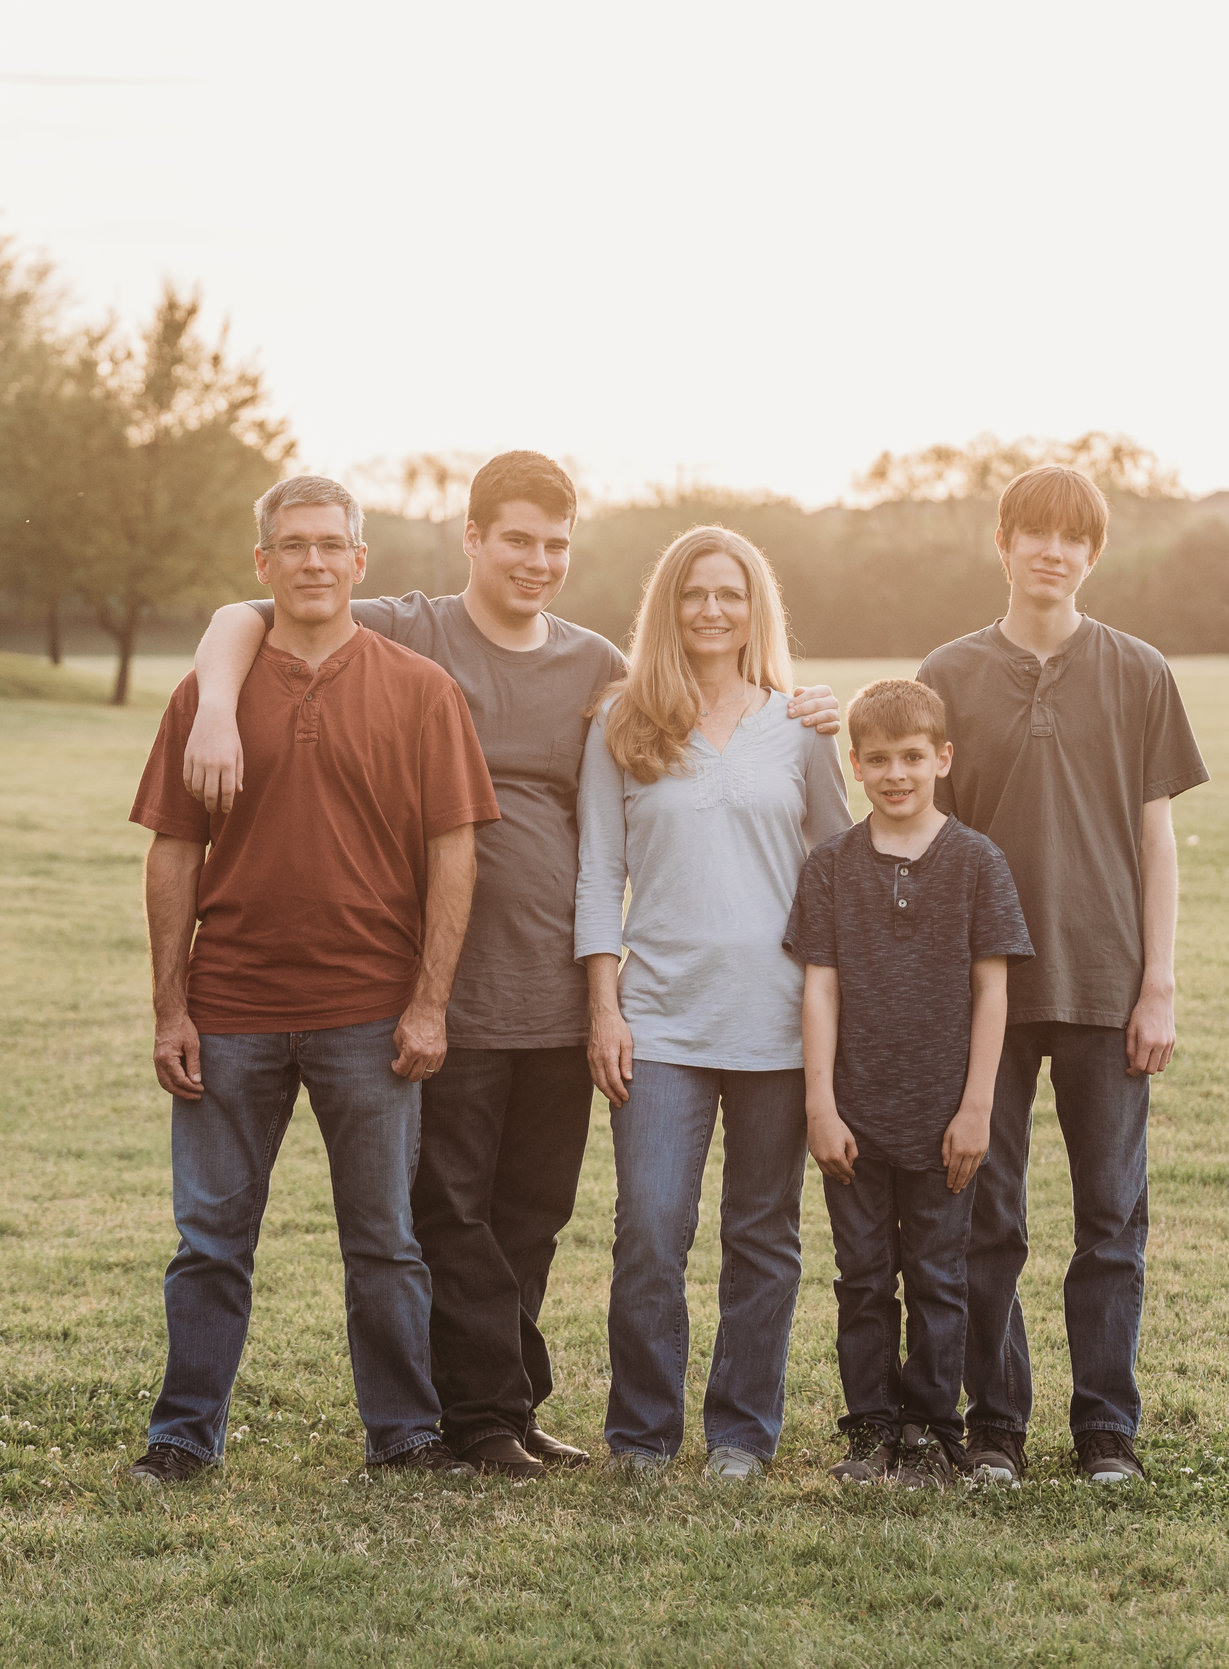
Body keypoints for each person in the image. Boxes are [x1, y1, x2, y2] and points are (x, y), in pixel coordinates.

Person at [176, 455, 841, 1478]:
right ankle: (478, 1415)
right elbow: (248, 611)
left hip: (559, 989)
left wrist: (805, 709)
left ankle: (509, 1404)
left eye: (554, 543)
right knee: (453, 1208)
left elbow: (702, 731)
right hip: (440, 982)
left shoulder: (591, 670)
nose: (536, 560)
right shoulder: (412, 627)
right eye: (516, 538)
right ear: (472, 538)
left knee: (534, 1212)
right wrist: (216, 704)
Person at [125, 474, 498, 1484]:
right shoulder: (209, 695)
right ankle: (182, 1438)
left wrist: (429, 1001)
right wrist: (171, 1007)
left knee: (385, 1244)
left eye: (331, 545)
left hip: (368, 1017)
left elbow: (453, 855)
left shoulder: (421, 691)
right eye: (292, 546)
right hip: (231, 1011)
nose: (313, 562)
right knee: (208, 1243)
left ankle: (405, 1436)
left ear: (360, 561)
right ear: (263, 565)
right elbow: (172, 853)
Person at [916, 464, 1209, 1487]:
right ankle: (994, 1425)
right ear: (999, 542)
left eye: (1070, 536)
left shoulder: (1139, 672)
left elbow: (1155, 839)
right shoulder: (945, 674)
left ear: (1093, 553)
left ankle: (1104, 1431)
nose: (1050, 550)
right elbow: (916, 828)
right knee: (984, 1214)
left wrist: (1158, 980)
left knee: (1110, 1218)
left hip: (1102, 982)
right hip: (982, 990)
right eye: (1031, 532)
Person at [576, 526, 851, 1479]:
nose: (711, 610)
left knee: (761, 1233)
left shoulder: (800, 725)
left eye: (730, 594)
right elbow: (598, 871)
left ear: (755, 608)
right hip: (659, 1019)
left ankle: (740, 1433)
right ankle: (643, 1434)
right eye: (693, 593)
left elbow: (837, 871)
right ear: (668, 606)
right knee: (650, 1226)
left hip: (777, 1024)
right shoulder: (621, 719)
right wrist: (604, 1010)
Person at [784, 679, 1033, 1490]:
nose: (897, 773)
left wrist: (975, 1108)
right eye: (880, 759)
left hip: (941, 1120)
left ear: (943, 759)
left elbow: (993, 988)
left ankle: (932, 1428)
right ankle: (870, 1428)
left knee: (937, 1275)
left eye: (914, 757)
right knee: (861, 1278)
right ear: (853, 765)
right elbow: (819, 986)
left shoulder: (976, 861)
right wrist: (819, 1104)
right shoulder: (830, 867)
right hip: (854, 1112)